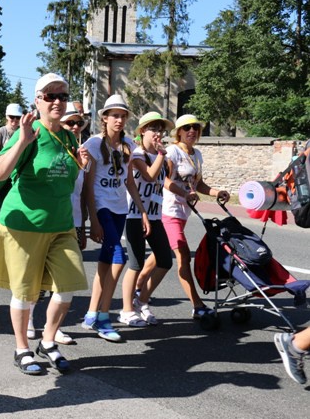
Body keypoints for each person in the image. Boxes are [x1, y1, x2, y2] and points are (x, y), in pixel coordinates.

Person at [0, 73, 91, 375]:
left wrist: (81, 163)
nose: (56, 101)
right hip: (25, 225)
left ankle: (47, 340)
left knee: (68, 286)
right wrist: (22, 140)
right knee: (25, 292)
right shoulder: (28, 132)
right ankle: (22, 349)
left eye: (61, 95)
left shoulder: (69, 136)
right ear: (38, 101)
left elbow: (68, 180)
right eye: (49, 96)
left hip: (60, 224)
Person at [80, 94, 148, 342]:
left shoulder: (129, 144)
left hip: (121, 208)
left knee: (106, 261)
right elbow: (88, 186)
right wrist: (93, 220)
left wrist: (141, 211)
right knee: (118, 257)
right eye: (114, 115)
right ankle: (104, 318)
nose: (119, 120)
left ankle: (90, 312)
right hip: (102, 207)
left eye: (123, 116)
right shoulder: (94, 144)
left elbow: (129, 181)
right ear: (105, 118)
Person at [26, 102, 87, 346]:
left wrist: (85, 224)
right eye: (69, 122)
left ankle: (54, 329)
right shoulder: (45, 142)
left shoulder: (80, 150)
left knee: (63, 280)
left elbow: (84, 191)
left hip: (70, 221)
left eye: (78, 123)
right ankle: (29, 318)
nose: (74, 127)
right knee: (35, 275)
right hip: (44, 221)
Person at [161, 114, 230, 319]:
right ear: (179, 132)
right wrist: (184, 194)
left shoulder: (197, 154)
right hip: (169, 210)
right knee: (182, 255)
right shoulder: (172, 152)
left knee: (158, 256)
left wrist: (217, 192)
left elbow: (197, 184)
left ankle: (138, 290)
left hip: (184, 212)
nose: (192, 131)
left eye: (196, 128)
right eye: (187, 127)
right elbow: (164, 180)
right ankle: (197, 305)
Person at [119, 112, 174, 327]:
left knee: (165, 261)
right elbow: (149, 175)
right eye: (153, 129)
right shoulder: (138, 155)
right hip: (134, 215)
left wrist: (184, 193)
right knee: (136, 264)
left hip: (154, 215)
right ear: (143, 131)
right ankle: (126, 310)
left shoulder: (160, 157)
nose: (158, 134)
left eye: (161, 130)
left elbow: (163, 181)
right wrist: (161, 154)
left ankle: (141, 301)